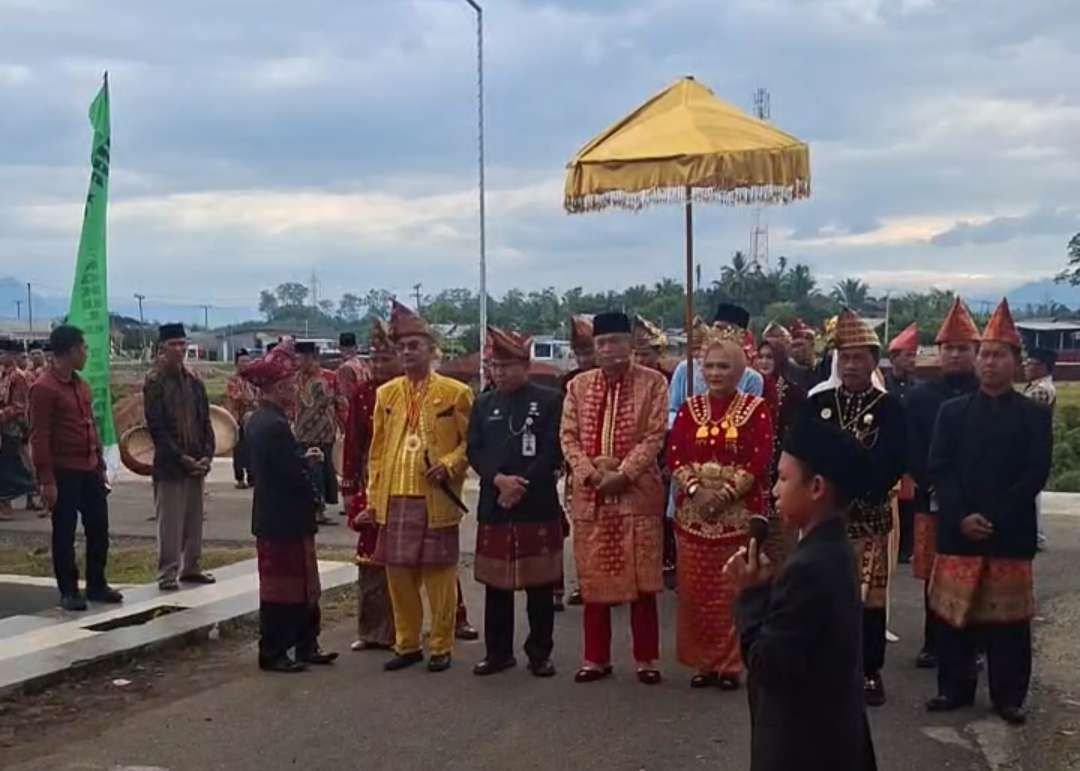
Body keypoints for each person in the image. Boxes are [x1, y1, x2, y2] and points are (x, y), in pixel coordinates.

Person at [728, 412, 878, 771]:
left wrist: (751, 595)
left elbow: (768, 665)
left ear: (817, 487)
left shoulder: (810, 567)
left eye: (783, 478)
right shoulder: (831, 549)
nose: (775, 490)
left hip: (804, 746)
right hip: (832, 734)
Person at [926, 298, 1051, 725]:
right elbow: (940, 467)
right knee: (953, 616)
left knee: (1009, 623)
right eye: (985, 355)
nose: (990, 362)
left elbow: (1035, 472)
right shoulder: (951, 413)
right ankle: (953, 688)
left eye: (999, 355)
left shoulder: (1035, 415)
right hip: (958, 529)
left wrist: (995, 516)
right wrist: (961, 515)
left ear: (1016, 362)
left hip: (1009, 531)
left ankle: (1009, 696)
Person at [560, 311, 667, 685]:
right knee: (593, 579)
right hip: (591, 495)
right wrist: (590, 474)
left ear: (630, 343)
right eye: (601, 343)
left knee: (643, 582)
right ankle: (595, 658)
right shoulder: (578, 386)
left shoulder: (653, 383)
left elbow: (655, 435)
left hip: (638, 493)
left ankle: (646, 658)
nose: (608, 349)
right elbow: (568, 437)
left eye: (615, 341)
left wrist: (623, 474)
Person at [805, 308, 906, 707]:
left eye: (858, 358)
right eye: (844, 358)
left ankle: (868, 672)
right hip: (824, 517)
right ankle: (825, 668)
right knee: (823, 595)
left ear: (873, 361)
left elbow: (892, 461)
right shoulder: (819, 402)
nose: (850, 365)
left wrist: (857, 494)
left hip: (868, 517)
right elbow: (804, 457)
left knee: (868, 601)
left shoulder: (890, 407)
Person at [366, 302, 474, 673]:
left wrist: (450, 464)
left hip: (435, 499)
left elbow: (471, 443)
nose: (408, 352)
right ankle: (407, 644)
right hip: (395, 497)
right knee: (398, 576)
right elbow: (377, 451)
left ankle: (441, 645)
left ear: (432, 349)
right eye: (402, 347)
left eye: (415, 345)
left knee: (439, 575)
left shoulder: (456, 392)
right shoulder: (387, 394)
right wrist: (373, 498)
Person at [668, 326, 773, 689]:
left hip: (737, 516)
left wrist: (725, 495)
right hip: (693, 517)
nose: (715, 373)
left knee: (732, 590)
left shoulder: (756, 409)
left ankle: (730, 665)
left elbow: (760, 458)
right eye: (709, 366)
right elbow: (675, 454)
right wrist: (695, 491)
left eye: (724, 366)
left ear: (740, 370)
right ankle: (704, 663)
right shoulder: (689, 408)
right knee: (696, 593)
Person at [468, 326, 563, 678]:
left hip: (536, 502)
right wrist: (498, 480)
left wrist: (521, 485)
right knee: (496, 585)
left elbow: (554, 450)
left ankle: (540, 653)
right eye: (495, 366)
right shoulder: (483, 403)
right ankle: (498, 653)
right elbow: (474, 449)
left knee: (540, 585)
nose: (500, 372)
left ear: (526, 365)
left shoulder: (550, 400)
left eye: (507, 366)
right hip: (495, 504)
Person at [244, 345, 338, 673]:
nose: (294, 389)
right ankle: (275, 651)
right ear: (276, 388)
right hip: (282, 518)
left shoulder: (263, 420)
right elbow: (287, 473)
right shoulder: (273, 424)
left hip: (279, 516)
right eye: (288, 384)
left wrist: (301, 460)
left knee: (300, 584)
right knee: (282, 589)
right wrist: (309, 471)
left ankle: (304, 645)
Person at [906, 298, 981, 669]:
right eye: (948, 348)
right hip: (932, 499)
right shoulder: (920, 397)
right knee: (935, 574)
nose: (954, 355)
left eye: (962, 349)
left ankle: (975, 645)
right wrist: (933, 484)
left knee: (976, 573)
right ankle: (933, 642)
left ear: (976, 352)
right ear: (938, 352)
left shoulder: (987, 395)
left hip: (978, 504)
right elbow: (912, 449)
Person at [28, 325, 123, 610]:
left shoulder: (81, 385)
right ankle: (68, 590)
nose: (86, 353)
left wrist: (100, 464)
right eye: (83, 348)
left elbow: (90, 425)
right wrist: (46, 480)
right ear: (70, 351)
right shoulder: (43, 388)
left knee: (99, 527)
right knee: (64, 531)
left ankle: (97, 584)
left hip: (90, 467)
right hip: (63, 470)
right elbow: (39, 436)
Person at [341, 320, 399, 652]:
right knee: (370, 554)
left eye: (384, 359)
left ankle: (406, 631)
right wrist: (349, 489)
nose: (378, 365)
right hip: (371, 483)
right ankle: (372, 631)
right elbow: (352, 443)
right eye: (374, 359)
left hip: (407, 485)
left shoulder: (411, 390)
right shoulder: (363, 394)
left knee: (411, 557)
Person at [144, 323, 216, 591]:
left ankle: (192, 567)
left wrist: (207, 454)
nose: (180, 349)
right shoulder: (155, 382)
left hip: (197, 460)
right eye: (174, 344)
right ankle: (167, 572)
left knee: (194, 519)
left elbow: (206, 420)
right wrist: (181, 458)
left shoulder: (194, 381)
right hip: (170, 464)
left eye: (182, 344)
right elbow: (157, 428)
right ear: (161, 349)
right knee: (170, 522)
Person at [756, 326, 807, 566]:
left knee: (780, 544)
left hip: (782, 469)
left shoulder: (794, 393)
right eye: (760, 356)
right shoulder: (748, 388)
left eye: (770, 357)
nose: (764, 361)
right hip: (755, 473)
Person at [558, 313, 596, 608]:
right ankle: (586, 583)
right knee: (583, 528)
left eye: (587, 351)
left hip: (612, 465)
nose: (583, 358)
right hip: (578, 463)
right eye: (579, 352)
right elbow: (564, 427)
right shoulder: (568, 382)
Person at [883, 323, 920, 565]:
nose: (912, 361)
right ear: (894, 358)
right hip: (889, 452)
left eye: (914, 356)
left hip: (912, 452)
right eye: (908, 356)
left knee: (910, 502)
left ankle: (907, 546)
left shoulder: (919, 389)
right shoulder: (883, 387)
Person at [294, 341, 339, 527]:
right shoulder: (293, 379)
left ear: (313, 358)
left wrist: (344, 427)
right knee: (309, 472)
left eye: (304, 358)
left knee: (323, 472)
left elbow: (340, 403)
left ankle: (319, 509)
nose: (300, 362)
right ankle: (310, 509)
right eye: (298, 358)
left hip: (325, 433)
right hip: (302, 433)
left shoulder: (330, 377)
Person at [0, 340, 37, 521]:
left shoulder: (19, 377)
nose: (1, 357)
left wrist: (2, 414)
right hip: (3, 429)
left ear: (12, 355)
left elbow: (20, 406)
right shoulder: (3, 375)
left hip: (13, 429)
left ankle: (8, 505)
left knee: (11, 467)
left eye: (3, 353)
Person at [225, 348, 258, 490]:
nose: (245, 364)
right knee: (239, 450)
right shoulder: (233, 380)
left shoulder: (253, 379)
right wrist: (252, 400)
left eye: (247, 361)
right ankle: (239, 478)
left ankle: (252, 477)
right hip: (237, 419)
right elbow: (237, 396)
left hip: (252, 420)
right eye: (242, 361)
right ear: (236, 363)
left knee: (252, 448)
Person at [335, 331, 371, 431]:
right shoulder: (364, 364)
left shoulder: (345, 368)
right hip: (366, 411)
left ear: (340, 348)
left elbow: (345, 397)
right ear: (356, 347)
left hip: (353, 415)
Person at [788, 319, 822, 391]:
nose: (796, 350)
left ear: (812, 344)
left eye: (800, 345)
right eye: (793, 346)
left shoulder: (824, 367)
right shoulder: (789, 373)